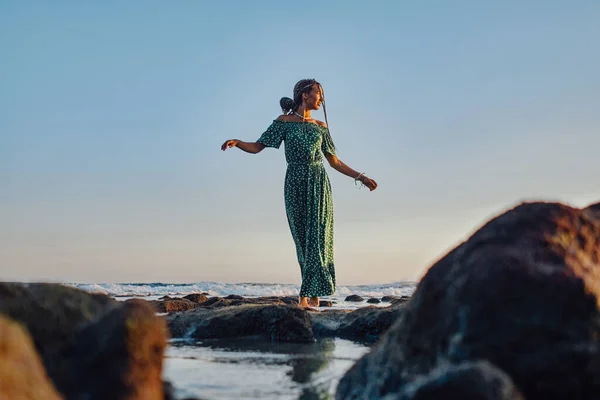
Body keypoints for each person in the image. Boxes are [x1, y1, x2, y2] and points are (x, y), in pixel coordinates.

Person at [221, 79, 377, 309]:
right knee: (302, 237)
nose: (321, 98)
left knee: (319, 238)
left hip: (319, 183)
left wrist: (361, 177)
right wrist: (238, 142)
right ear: (305, 95)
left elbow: (334, 162)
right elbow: (258, 146)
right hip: (294, 182)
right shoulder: (283, 122)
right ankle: (309, 294)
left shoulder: (320, 127)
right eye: (318, 93)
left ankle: (311, 296)